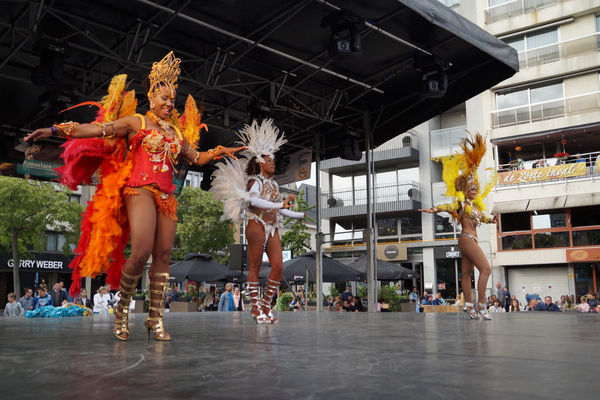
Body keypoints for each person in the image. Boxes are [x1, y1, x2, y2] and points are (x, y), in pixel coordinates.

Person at [25, 52, 244, 341]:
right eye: (164, 98)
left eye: (173, 100)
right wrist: (55, 129)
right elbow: (96, 129)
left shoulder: (177, 133)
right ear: (152, 96)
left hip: (167, 195)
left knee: (164, 254)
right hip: (138, 188)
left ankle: (155, 318)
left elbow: (197, 158)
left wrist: (220, 151)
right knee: (140, 251)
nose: (169, 103)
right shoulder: (136, 122)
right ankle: (122, 310)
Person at [210, 119, 306, 324]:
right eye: (269, 159)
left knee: (278, 265)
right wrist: (280, 206)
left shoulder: (274, 184)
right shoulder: (256, 181)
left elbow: (283, 211)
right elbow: (253, 200)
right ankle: (254, 307)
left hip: (273, 227)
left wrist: (300, 215)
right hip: (256, 224)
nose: (273, 162)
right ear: (260, 161)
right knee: (254, 266)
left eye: (273, 159)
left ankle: (265, 305)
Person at [420, 134, 498, 321]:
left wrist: (492, 220)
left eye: (475, 188)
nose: (474, 190)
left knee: (467, 273)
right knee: (486, 269)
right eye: (471, 188)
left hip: (471, 240)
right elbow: (448, 207)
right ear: (465, 190)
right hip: (466, 239)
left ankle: (469, 305)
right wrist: (433, 209)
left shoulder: (476, 207)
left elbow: (483, 218)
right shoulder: (462, 205)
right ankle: (481, 304)